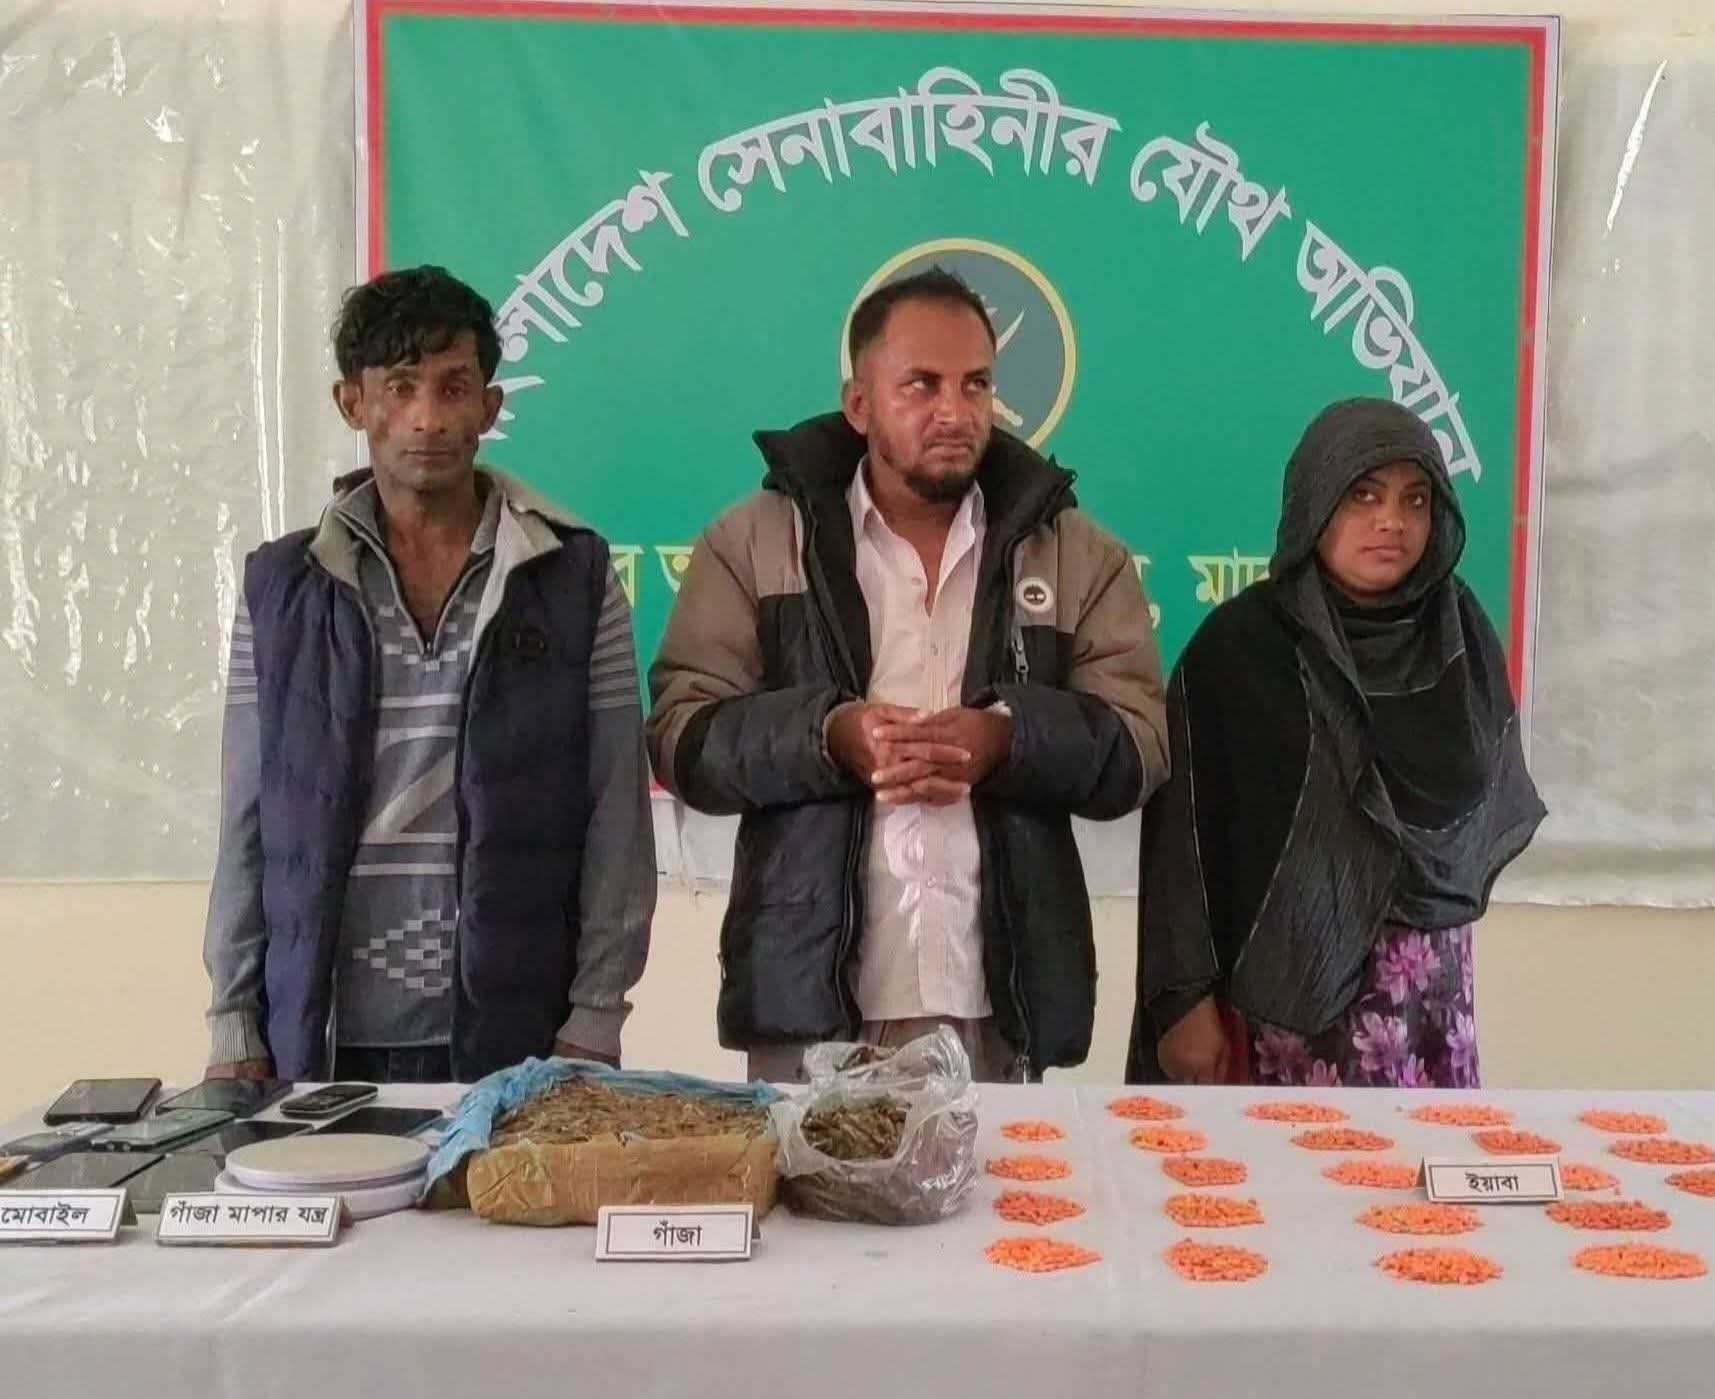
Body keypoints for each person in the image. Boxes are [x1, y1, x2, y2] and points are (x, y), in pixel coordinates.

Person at [647, 267, 1166, 1082]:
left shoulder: (1073, 552)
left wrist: (1010, 738)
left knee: (999, 1175)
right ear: (860, 405)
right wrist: (828, 737)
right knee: (807, 1175)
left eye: (976, 384)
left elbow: (1140, 745)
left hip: (999, 1006)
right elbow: (685, 737)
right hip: (808, 1010)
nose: (955, 412)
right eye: (922, 384)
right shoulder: (754, 542)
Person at [201, 265, 655, 1085]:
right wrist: (234, 1021)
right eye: (400, 387)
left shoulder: (572, 578)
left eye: (453, 388)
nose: (428, 418)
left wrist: (595, 1016)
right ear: (353, 403)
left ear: (491, 406)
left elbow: (616, 812)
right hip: (322, 1034)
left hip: (519, 1029)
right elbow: (247, 815)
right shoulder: (280, 588)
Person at [1129, 397, 1544, 1087]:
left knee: (1425, 1158)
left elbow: (1477, 800)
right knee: (1286, 1159)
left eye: (1415, 499)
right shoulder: (1241, 649)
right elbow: (1183, 841)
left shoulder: (1459, 634)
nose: (1392, 521)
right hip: (1283, 1000)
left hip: (1429, 997)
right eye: (1364, 495)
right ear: (1315, 500)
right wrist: (1182, 1000)